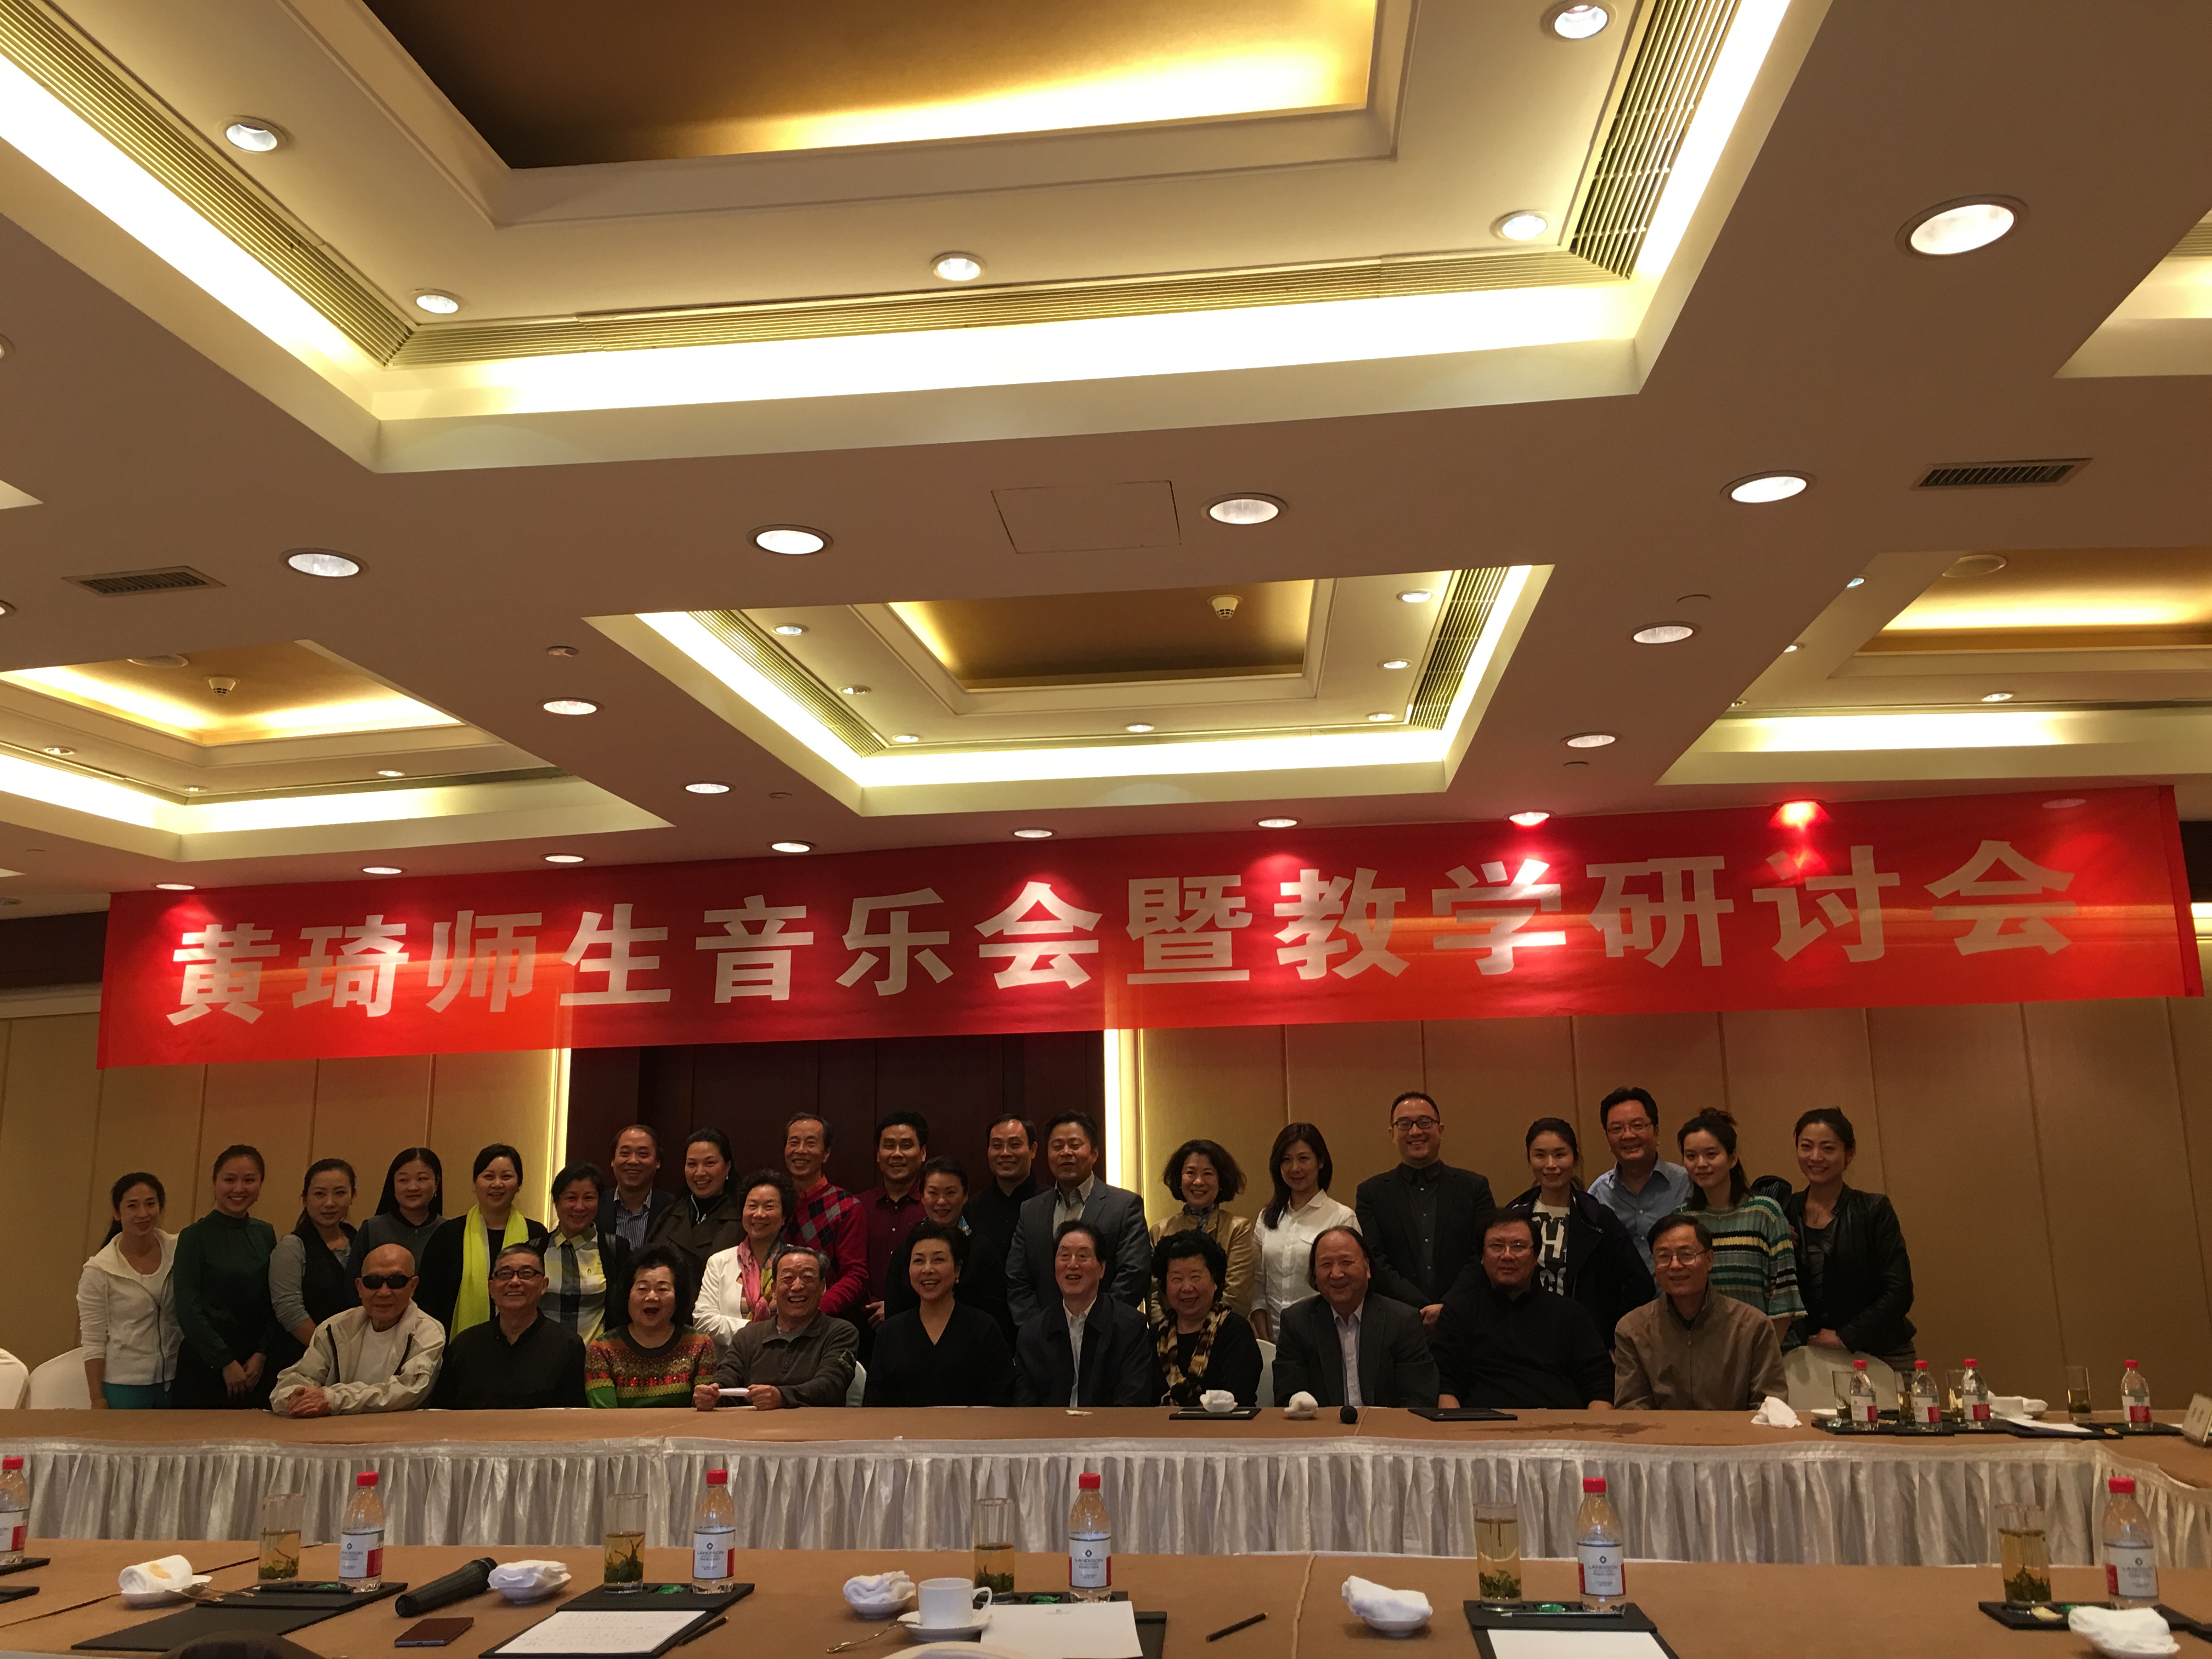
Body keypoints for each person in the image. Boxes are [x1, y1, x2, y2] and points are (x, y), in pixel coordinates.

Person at [1432, 1212, 1613, 1410]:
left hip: (1562, 1425)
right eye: (1497, 1246)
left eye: (1518, 1246)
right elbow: (1446, 1387)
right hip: (1481, 1426)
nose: (1507, 1255)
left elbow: (1600, 1386)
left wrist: (1593, 1428)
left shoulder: (1570, 1314)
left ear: (1536, 1257)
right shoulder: (1458, 1313)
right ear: (1482, 1257)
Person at [1505, 1118, 1654, 1349]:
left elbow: (1640, 1285)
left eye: (1560, 1155)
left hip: (1584, 1344)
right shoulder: (1514, 1216)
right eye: (1540, 1155)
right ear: (1529, 1159)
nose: (1551, 1165)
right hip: (1522, 1341)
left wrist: (1611, 1338)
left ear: (1575, 1158)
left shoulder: (1599, 1219)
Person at [1784, 1108, 1915, 1369]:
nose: (1816, 1157)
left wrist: (1847, 1335)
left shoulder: (1873, 1210)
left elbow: (1899, 1290)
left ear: (1850, 1153)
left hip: (1881, 1351)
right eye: (1806, 1146)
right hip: (1812, 1355)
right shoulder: (1784, 1211)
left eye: (1828, 1149)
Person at [1614, 1216, 1786, 1410]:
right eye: (1663, 1256)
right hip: (1660, 1431)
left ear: (1709, 1259)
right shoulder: (1633, 1330)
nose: (1675, 1265)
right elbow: (1632, 1410)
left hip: (1735, 1431)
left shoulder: (1753, 1326)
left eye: (1686, 1255)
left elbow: (1770, 1408)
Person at [1354, 1091, 1496, 1324]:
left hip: (1467, 1318)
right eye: (1404, 1124)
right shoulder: (1371, 1193)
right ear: (1392, 1134)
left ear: (1440, 1129)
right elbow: (1374, 1259)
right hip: (1397, 1320)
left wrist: (1447, 1308)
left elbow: (1484, 1253)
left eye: (1424, 1122)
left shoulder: (1474, 1187)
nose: (1415, 1132)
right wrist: (1421, 1308)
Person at [1269, 1227, 1438, 1409]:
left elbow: (1418, 1400)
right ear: (1315, 1275)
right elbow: (1288, 1398)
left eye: (1346, 1262)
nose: (1336, 1274)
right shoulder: (1296, 1323)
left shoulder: (1403, 1321)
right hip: (1321, 1426)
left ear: (1368, 1268)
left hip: (1387, 1426)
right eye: (1326, 1265)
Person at [268, 1243, 444, 1417]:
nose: (384, 1292)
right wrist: (298, 1400)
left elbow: (406, 1393)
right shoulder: (334, 1328)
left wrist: (332, 1399)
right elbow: (288, 1386)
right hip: (333, 1432)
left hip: (399, 1431)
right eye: (373, 1282)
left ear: (413, 1286)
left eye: (396, 1281)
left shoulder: (428, 1333)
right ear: (360, 1287)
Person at [1006, 1112, 1149, 1325]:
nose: (1066, 1153)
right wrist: (1037, 1328)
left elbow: (1134, 1274)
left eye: (1075, 1145)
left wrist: (1098, 1324)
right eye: (1057, 1146)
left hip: (1108, 1332)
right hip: (1044, 1334)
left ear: (1094, 1153)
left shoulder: (1124, 1206)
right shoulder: (1031, 1210)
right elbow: (1017, 1277)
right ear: (1047, 1155)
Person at [1677, 1109, 1803, 1340]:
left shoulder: (1765, 1213)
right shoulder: (1682, 1220)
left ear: (1732, 1158)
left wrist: (1762, 1354)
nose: (1701, 1164)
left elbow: (1784, 1296)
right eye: (1691, 1156)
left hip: (1767, 1347)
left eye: (1711, 1154)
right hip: (1705, 1348)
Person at [171, 1144, 281, 1409]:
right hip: (206, 1362)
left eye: (249, 1180)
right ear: (215, 1182)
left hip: (254, 1366)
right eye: (230, 1180)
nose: (239, 1189)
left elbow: (272, 1300)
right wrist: (224, 1361)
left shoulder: (265, 1234)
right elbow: (187, 1307)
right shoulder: (194, 1237)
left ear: (261, 1183)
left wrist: (261, 1354)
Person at [864, 1221, 1014, 1407]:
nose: (928, 1269)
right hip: (903, 1426)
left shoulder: (984, 1329)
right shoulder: (890, 1333)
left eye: (938, 1260)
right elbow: (874, 1405)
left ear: (957, 1269)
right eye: (919, 1261)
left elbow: (1001, 1400)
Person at [692, 1246, 856, 1410]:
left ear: (822, 1288)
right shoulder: (747, 1337)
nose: (797, 1286)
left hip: (818, 1425)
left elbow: (831, 1386)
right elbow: (726, 1383)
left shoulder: (840, 1333)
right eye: (788, 1278)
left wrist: (782, 1397)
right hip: (751, 1425)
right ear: (774, 1290)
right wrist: (710, 1396)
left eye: (807, 1278)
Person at [431, 1240, 588, 1409]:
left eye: (526, 1273)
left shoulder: (567, 1346)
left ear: (544, 1285)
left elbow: (574, 1417)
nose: (514, 1282)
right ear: (491, 1288)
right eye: (505, 1274)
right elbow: (442, 1413)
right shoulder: (464, 1346)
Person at [1012, 1220, 1154, 1407]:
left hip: (1111, 1426)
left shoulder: (1130, 1327)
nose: (1072, 1264)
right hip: (1049, 1426)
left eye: (1082, 1256)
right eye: (1064, 1256)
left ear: (1102, 1268)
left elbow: (1133, 1400)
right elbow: (1025, 1407)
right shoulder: (1032, 1333)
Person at [417, 1144, 549, 1338]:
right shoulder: (448, 1234)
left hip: (527, 1342)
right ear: (475, 1183)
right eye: (488, 1176)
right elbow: (428, 1301)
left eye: (506, 1177)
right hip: (457, 1346)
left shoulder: (536, 1234)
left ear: (519, 1184)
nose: (497, 1184)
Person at [77, 1172, 179, 1408]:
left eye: (150, 1204)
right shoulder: (99, 1270)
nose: (143, 1213)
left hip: (176, 1379)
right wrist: (97, 1398)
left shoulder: (179, 1251)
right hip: (125, 1384)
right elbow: (93, 1339)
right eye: (132, 1206)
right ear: (117, 1213)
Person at [882, 1157, 1012, 1340]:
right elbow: (894, 1317)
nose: (942, 1201)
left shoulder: (984, 1250)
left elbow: (996, 1317)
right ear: (922, 1196)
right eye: (933, 1193)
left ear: (965, 1196)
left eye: (950, 1193)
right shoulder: (906, 1250)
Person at [1252, 1122, 1358, 1342]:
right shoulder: (1267, 1218)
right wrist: (1265, 1339)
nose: (1295, 1168)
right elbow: (1258, 1285)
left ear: (1320, 1162)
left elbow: (1353, 1286)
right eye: (1286, 1160)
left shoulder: (1341, 1217)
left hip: (1325, 1337)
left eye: (1303, 1159)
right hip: (1274, 1341)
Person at [585, 1245, 718, 1408]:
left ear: (679, 1296)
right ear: (627, 1295)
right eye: (642, 1289)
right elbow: (605, 1416)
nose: (652, 1297)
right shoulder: (602, 1350)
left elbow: (702, 1411)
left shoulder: (700, 1346)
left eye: (662, 1289)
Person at [1148, 1229, 1262, 1408]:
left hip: (1226, 1425)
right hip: (1161, 1425)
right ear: (1164, 1286)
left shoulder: (1235, 1331)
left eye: (1196, 1277)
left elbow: (1239, 1397)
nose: (1187, 1287)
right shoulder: (1155, 1336)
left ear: (1215, 1281)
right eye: (1177, 1279)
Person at [1587, 1088, 1694, 1271]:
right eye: (1617, 1129)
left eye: (1637, 1126)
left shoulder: (1687, 1184)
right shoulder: (1598, 1195)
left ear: (1656, 1132)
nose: (1628, 1135)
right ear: (1608, 1139)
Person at [1148, 1139, 1257, 1319]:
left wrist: (1200, 1330)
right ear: (1179, 1179)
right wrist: (1166, 1329)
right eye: (1190, 1173)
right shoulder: (1159, 1231)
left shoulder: (1238, 1229)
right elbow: (1154, 1296)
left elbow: (1237, 1296)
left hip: (1224, 1331)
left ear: (1221, 1181)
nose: (1198, 1182)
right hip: (1169, 1333)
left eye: (1208, 1174)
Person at [268, 1159, 358, 1368]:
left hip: (353, 1359)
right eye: (319, 1194)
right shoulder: (292, 1246)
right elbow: (289, 1311)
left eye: (340, 1193)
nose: (330, 1203)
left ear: (353, 1196)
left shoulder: (358, 1238)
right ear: (305, 1199)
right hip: (304, 1360)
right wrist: (332, 1355)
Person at [696, 1170, 795, 1352]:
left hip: (788, 1360)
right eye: (752, 1206)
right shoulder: (719, 1262)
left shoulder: (801, 1262)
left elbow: (809, 1319)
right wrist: (755, 1331)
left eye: (769, 1207)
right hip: (730, 1363)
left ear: (784, 1218)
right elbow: (703, 1319)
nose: (759, 1214)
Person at [645, 1128, 744, 1307]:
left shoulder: (743, 1219)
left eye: (710, 1163)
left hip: (718, 1315)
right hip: (666, 1314)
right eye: (692, 1164)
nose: (700, 1173)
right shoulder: (669, 1214)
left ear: (727, 1166)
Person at [783, 1114, 868, 1322]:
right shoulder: (773, 1203)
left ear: (826, 1153)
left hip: (827, 1322)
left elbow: (855, 1275)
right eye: (794, 1142)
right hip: (773, 1318)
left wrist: (815, 1309)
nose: (800, 1150)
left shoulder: (846, 1207)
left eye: (810, 1143)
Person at [545, 1163, 634, 1344]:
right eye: (571, 1198)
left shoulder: (615, 1249)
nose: (579, 1207)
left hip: (596, 1356)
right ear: (556, 1202)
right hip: (545, 1355)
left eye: (589, 1198)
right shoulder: (537, 1249)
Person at [862, 1111, 931, 1340]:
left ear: (923, 1153)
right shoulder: (857, 1206)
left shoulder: (936, 1207)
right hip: (865, 1324)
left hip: (924, 1324)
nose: (897, 1154)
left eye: (906, 1146)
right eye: (889, 1146)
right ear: (878, 1154)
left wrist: (895, 1307)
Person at [347, 1148, 443, 1283]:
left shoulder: (448, 1230)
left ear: (437, 1183)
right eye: (403, 1180)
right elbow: (354, 1283)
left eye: (422, 1179)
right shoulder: (373, 1229)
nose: (412, 1187)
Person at [964, 1115, 1042, 1263]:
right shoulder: (972, 1207)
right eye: (997, 1146)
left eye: (1015, 1145)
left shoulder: (1050, 1203)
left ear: (1033, 1150)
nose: (1005, 1153)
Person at [600, 1125, 675, 1253]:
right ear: (613, 1160)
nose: (633, 1161)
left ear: (658, 1162)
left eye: (643, 1154)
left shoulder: (674, 1209)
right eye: (625, 1154)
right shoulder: (595, 1206)